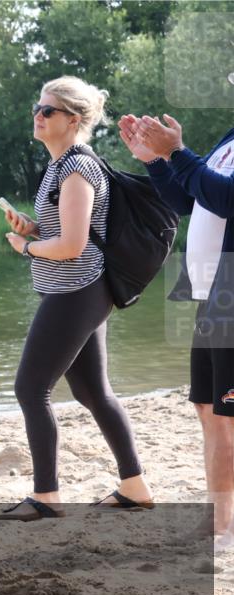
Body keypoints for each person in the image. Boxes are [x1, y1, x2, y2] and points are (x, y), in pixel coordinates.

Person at [0, 76, 154, 521]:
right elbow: (65, 231)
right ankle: (135, 486)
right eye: (37, 107)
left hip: (77, 289)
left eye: (47, 110)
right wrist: (33, 228)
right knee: (91, 391)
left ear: (73, 119)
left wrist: (26, 248)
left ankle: (46, 496)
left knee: (31, 389)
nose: (37, 115)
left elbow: (73, 246)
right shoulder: (60, 166)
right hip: (78, 289)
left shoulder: (78, 169)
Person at [119, 112, 234, 536]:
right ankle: (220, 519)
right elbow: (189, 199)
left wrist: (178, 152)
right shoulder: (231, 137)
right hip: (213, 293)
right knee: (209, 408)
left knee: (228, 414)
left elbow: (227, 198)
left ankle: (222, 524)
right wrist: (156, 160)